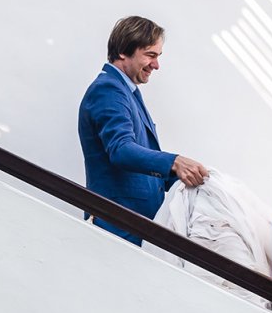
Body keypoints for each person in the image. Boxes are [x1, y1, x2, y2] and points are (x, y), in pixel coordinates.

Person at [78, 16, 209, 246]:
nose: (156, 65)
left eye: (158, 56)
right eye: (150, 55)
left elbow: (142, 163)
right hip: (118, 228)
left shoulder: (127, 91)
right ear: (123, 51)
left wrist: (192, 179)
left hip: (134, 228)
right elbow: (121, 150)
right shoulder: (108, 89)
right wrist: (174, 162)